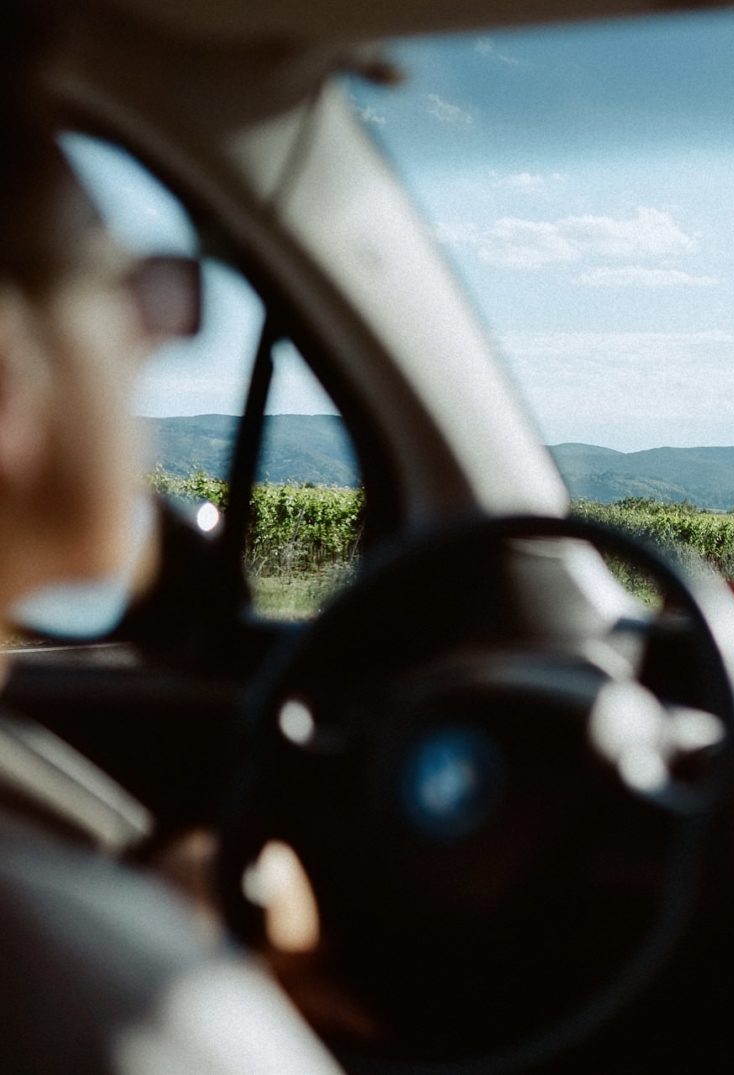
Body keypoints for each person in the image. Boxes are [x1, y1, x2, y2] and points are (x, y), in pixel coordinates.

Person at [0, 7, 341, 1070]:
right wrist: (201, 978)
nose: (156, 341)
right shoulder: (117, 1010)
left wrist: (150, 913)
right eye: (139, 296)